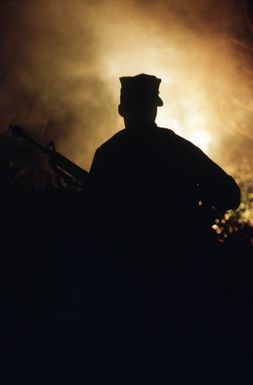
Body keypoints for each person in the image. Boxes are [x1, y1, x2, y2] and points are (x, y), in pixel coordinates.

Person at [86, 74, 241, 384]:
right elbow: (229, 194)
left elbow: (89, 219)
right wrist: (199, 213)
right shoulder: (177, 148)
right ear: (154, 108)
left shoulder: (108, 155)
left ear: (121, 110)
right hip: (182, 273)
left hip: (126, 281)